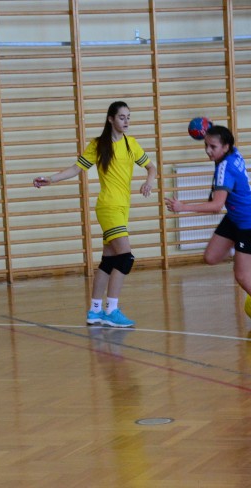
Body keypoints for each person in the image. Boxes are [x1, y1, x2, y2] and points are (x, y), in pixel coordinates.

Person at [33, 101, 156, 328]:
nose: (126, 121)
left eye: (128, 117)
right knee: (125, 258)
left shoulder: (131, 144)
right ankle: (112, 310)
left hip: (122, 208)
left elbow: (151, 167)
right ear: (110, 119)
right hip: (108, 207)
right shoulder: (98, 145)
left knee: (108, 261)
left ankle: (95, 310)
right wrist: (51, 179)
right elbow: (76, 168)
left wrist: (149, 182)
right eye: (121, 117)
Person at [165, 124, 251, 341]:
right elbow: (224, 141)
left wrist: (182, 207)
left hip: (249, 223)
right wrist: (210, 129)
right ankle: (248, 248)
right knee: (211, 257)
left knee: (242, 276)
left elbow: (216, 206)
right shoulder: (233, 153)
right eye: (206, 145)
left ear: (225, 146)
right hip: (234, 217)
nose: (207, 150)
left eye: (212, 146)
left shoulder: (225, 167)